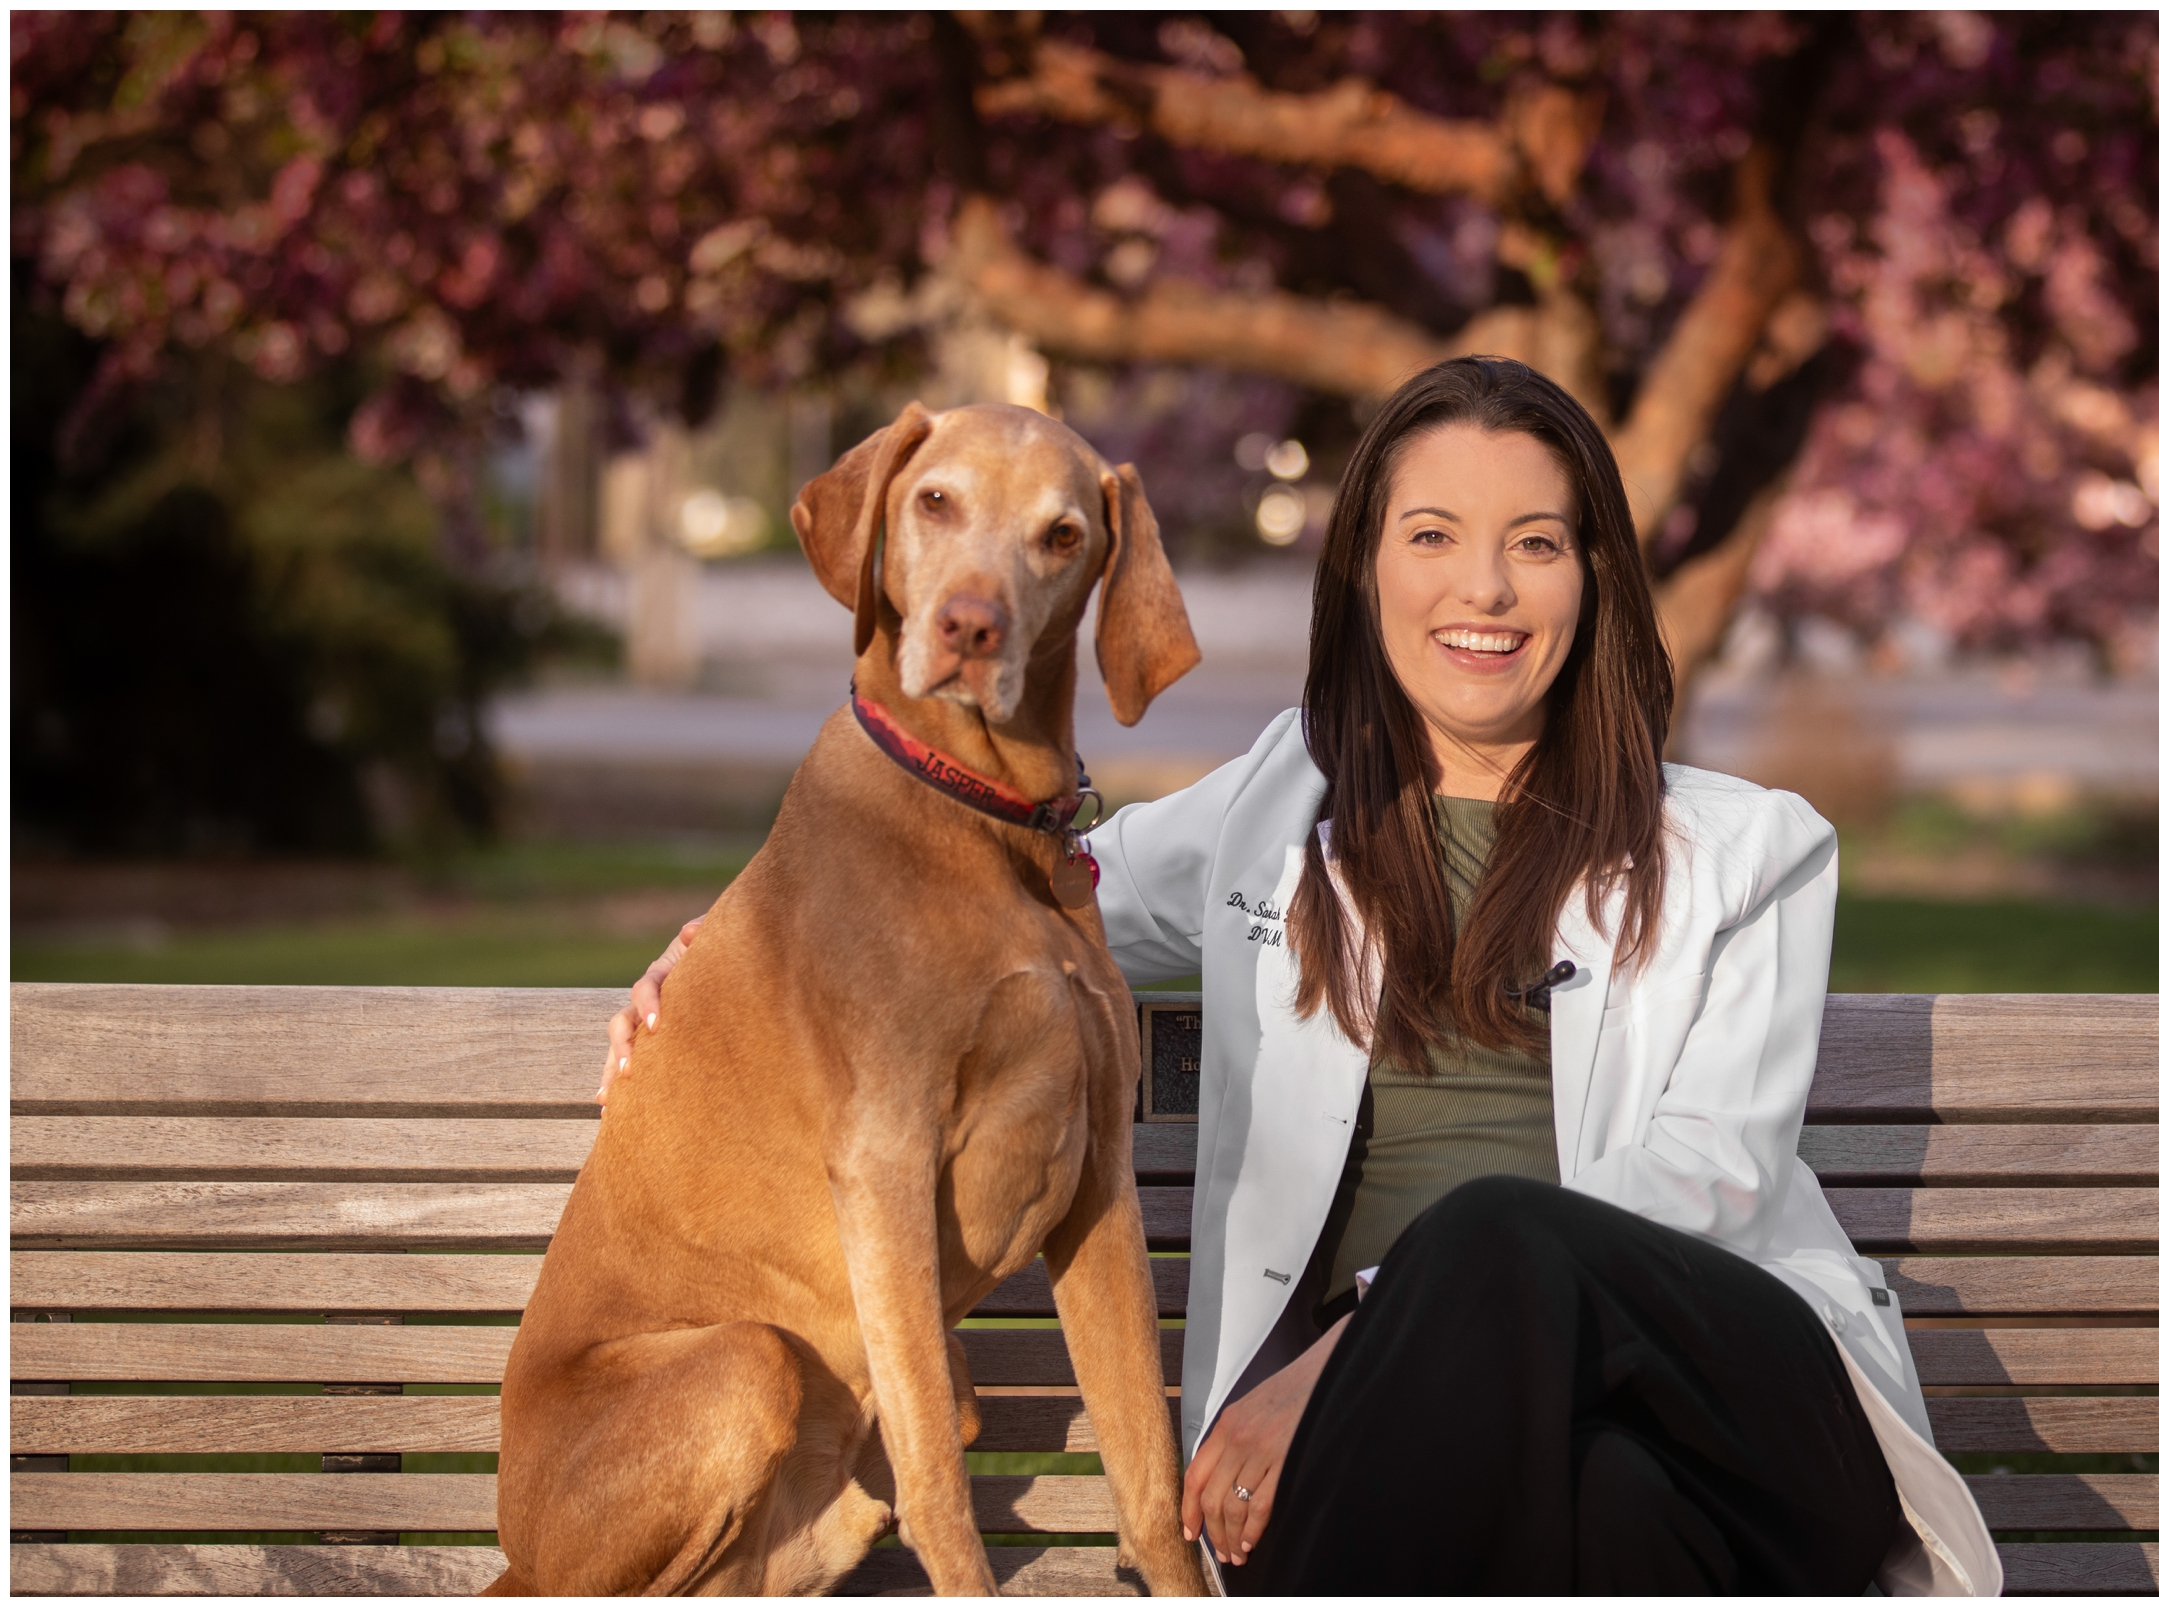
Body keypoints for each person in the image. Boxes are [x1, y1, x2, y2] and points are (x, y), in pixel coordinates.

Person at [601, 357, 2002, 1595]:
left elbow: (1706, 1187)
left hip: (1734, 1429)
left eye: (1537, 544)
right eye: (1434, 536)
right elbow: (1008, 881)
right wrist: (734, 936)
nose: (1486, 590)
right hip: (1426, 1485)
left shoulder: (1750, 851)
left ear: (1597, 579)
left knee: (1502, 1239)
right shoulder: (1282, 808)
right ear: (1370, 570)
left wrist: (1342, 1350)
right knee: (1608, 1514)